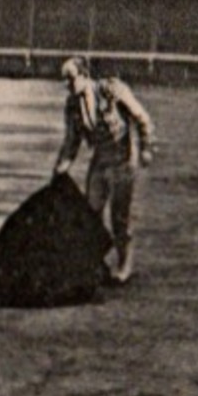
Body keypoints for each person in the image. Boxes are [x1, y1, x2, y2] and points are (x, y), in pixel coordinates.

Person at [52, 56, 155, 284]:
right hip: (100, 160)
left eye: (71, 79)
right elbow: (71, 141)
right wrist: (61, 168)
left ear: (85, 76)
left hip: (123, 158)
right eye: (65, 82)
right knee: (91, 214)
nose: (68, 86)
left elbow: (141, 117)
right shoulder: (71, 105)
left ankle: (124, 265)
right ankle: (97, 265)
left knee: (120, 216)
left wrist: (147, 147)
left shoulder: (111, 89)